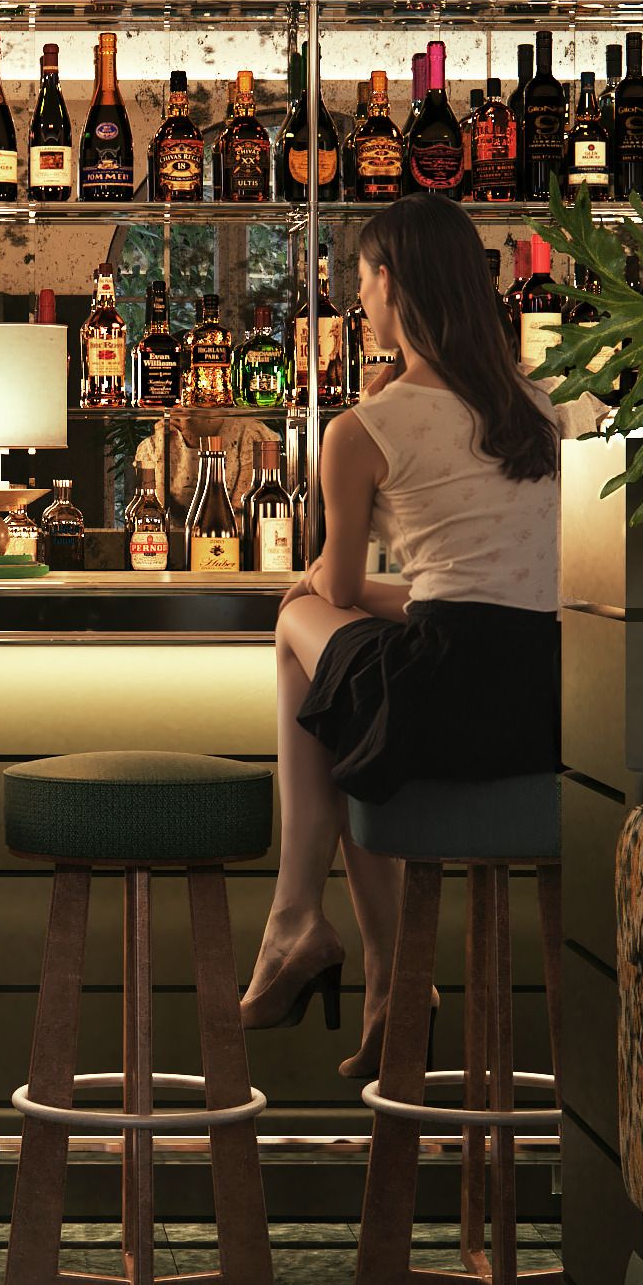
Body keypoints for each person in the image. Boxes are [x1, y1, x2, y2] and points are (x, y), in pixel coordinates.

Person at [240, 191, 563, 1071]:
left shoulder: (363, 428)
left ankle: (301, 918)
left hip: (444, 703)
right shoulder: (545, 411)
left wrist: (316, 589)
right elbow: (501, 591)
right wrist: (418, 598)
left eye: (361, 279)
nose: (359, 298)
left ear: (389, 283)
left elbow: (341, 589)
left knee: (299, 626)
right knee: (354, 698)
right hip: (554, 711)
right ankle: (380, 973)